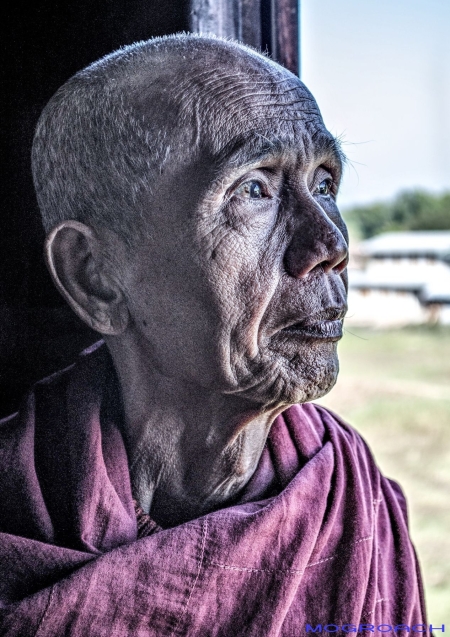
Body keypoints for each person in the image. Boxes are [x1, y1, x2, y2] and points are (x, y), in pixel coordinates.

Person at [0, 35, 427, 636]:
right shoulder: (16, 509)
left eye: (325, 183)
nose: (332, 245)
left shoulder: (352, 498)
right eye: (256, 188)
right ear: (95, 276)